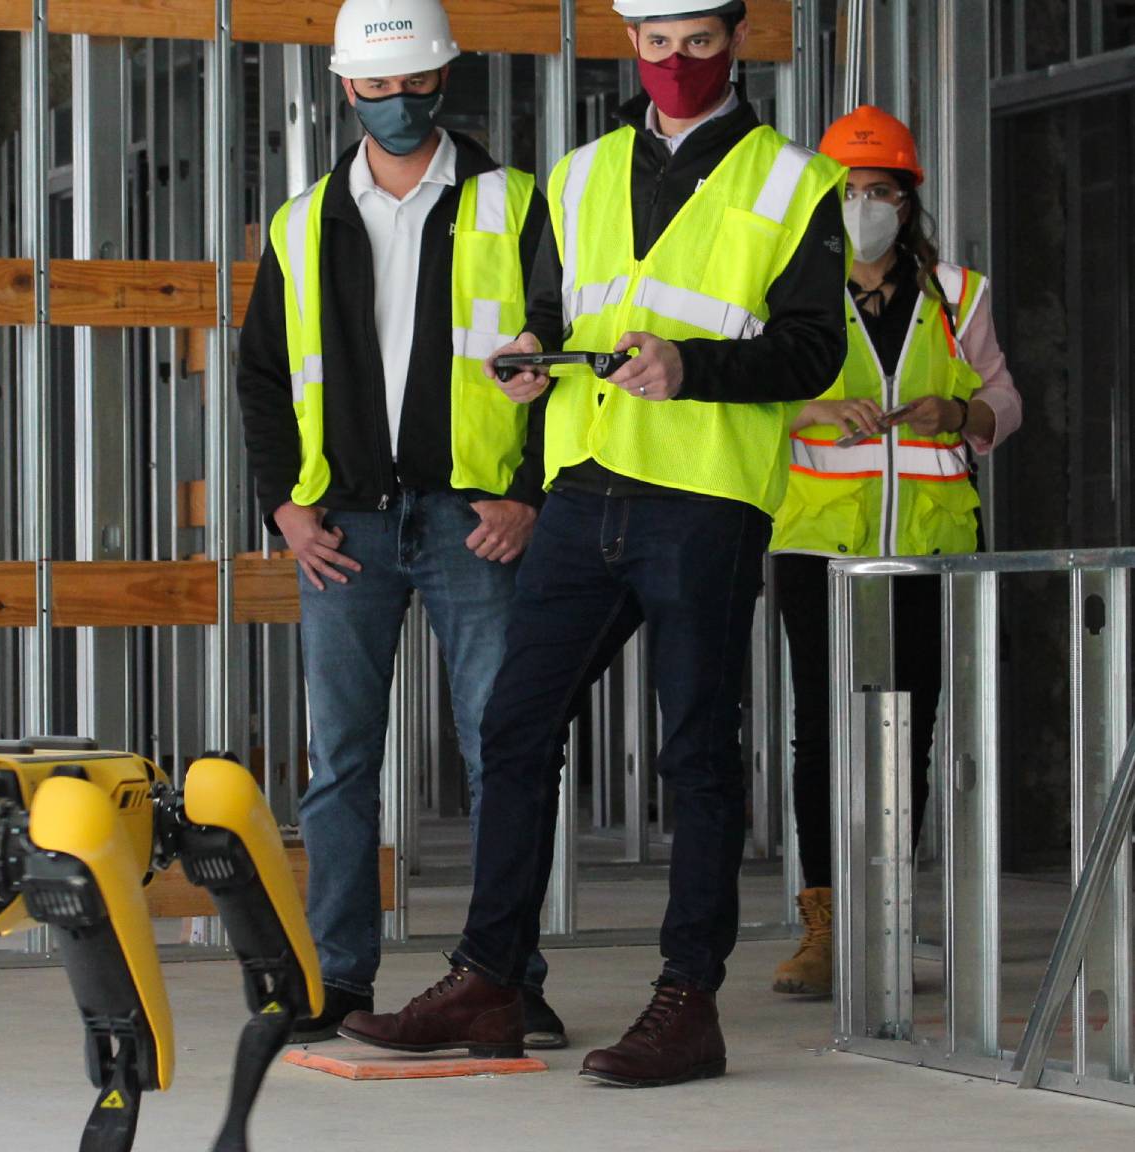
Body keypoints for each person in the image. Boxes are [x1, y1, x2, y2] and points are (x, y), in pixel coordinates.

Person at [340, 0, 848, 1083]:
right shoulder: (574, 176)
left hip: (704, 501)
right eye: (656, 44)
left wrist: (690, 366)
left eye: (698, 42)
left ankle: (686, 1000)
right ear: (632, 47)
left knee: (695, 754)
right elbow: (553, 312)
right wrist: (531, 355)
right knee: (513, 731)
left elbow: (810, 353)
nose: (676, 63)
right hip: (582, 492)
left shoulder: (789, 180)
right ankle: (491, 982)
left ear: (735, 42)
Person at [236, 0, 564, 1048]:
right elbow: (259, 380)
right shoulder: (299, 222)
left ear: (444, 77)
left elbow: (564, 362)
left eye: (411, 82)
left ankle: (507, 979)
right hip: (343, 532)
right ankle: (339, 981)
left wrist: (531, 499)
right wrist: (282, 503)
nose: (394, 102)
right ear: (344, 89)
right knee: (339, 764)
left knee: (500, 750)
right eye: (373, 87)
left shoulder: (516, 205)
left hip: (476, 521)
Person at [768, 105, 1020, 997]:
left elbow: (1002, 400)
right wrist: (814, 411)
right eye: (847, 191)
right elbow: (745, 404)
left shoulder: (959, 294)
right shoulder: (785, 289)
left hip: (927, 544)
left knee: (907, 734)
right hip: (815, 544)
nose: (864, 206)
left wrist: (962, 415)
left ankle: (890, 921)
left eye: (880, 191)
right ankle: (825, 923)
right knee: (821, 733)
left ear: (907, 202)